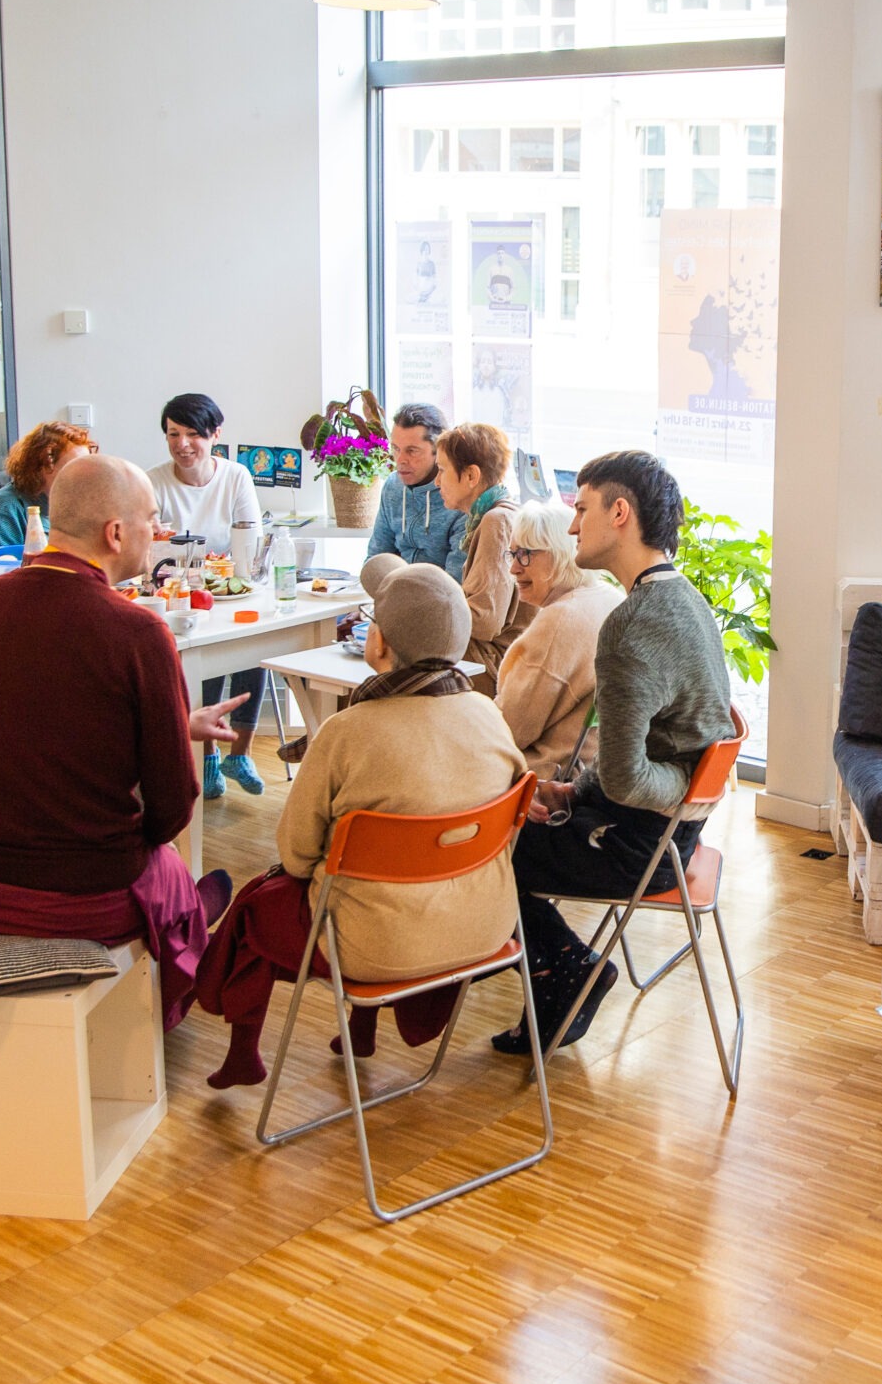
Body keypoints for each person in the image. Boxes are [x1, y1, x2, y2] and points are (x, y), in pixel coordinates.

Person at [0, 455, 242, 1024]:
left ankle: (184, 912)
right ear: (115, 533)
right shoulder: (137, 630)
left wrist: (172, 724)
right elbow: (172, 809)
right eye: (151, 519)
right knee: (162, 857)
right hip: (78, 898)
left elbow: (31, 717)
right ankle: (184, 920)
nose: (158, 531)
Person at [200, 563, 527, 1089]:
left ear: (379, 642)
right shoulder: (489, 715)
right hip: (485, 928)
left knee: (257, 905)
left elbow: (296, 854)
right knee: (374, 884)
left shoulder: (346, 731)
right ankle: (359, 1030)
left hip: (375, 946)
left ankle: (244, 1055)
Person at [495, 450, 734, 1054]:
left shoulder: (632, 623)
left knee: (487, 850)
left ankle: (570, 967)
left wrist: (683, 789)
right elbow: (649, 755)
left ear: (620, 512)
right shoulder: (687, 599)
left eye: (581, 510)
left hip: (638, 848)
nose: (573, 526)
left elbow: (630, 781)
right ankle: (567, 968)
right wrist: (575, 792)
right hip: (673, 840)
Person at [151, 392, 267, 798]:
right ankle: (209, 755)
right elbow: (152, 553)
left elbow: (249, 541)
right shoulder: (154, 481)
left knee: (254, 646)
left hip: (229, 589)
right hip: (180, 597)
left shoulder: (235, 476)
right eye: (173, 434)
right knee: (205, 653)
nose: (182, 444)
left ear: (215, 434)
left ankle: (241, 753)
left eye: (193, 434)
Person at [495, 499, 625, 779]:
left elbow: (509, 729)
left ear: (560, 554)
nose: (514, 568)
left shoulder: (562, 619)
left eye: (525, 554)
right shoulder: (610, 597)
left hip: (545, 778)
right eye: (512, 554)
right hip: (596, 767)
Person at [432, 421, 534, 692]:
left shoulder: (496, 521)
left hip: (493, 665)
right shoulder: (498, 514)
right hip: (495, 658)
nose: (436, 481)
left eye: (442, 470)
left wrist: (425, 609)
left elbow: (484, 621)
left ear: (471, 475)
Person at [365, 402, 467, 575]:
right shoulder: (393, 486)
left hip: (440, 590)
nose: (400, 460)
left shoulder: (460, 497)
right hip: (393, 587)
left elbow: (455, 581)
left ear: (439, 450)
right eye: (396, 449)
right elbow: (376, 559)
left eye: (412, 451)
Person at [0, 419, 94, 554]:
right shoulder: (4, 508)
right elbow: (1, 565)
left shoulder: (67, 505)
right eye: (72, 468)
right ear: (42, 466)